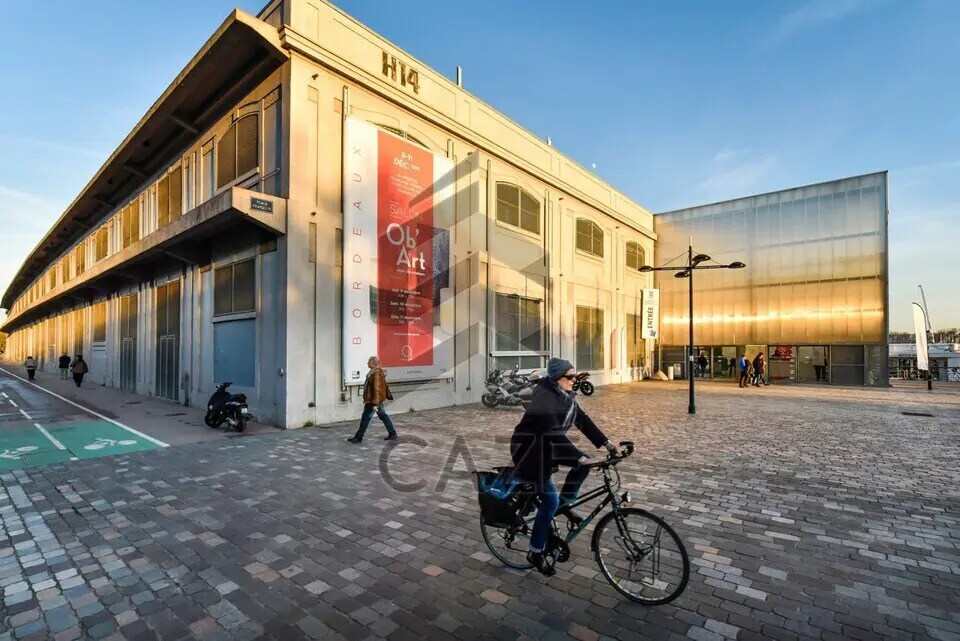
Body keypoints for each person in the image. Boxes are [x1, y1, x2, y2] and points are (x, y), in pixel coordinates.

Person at [510, 357, 622, 576]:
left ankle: (562, 506)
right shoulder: (544, 398)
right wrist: (578, 457)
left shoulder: (565, 396)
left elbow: (583, 420)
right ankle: (536, 550)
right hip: (529, 451)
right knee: (550, 498)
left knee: (584, 464)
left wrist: (607, 444)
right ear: (556, 378)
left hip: (549, 446)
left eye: (575, 376)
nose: (574, 380)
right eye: (569, 376)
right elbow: (552, 433)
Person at [347, 356, 397, 443]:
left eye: (368, 362)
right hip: (376, 400)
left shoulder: (376, 373)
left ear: (373, 363)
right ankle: (393, 434)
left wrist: (375, 404)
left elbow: (377, 389)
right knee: (383, 416)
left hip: (373, 401)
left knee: (366, 418)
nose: (367, 363)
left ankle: (358, 437)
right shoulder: (374, 371)